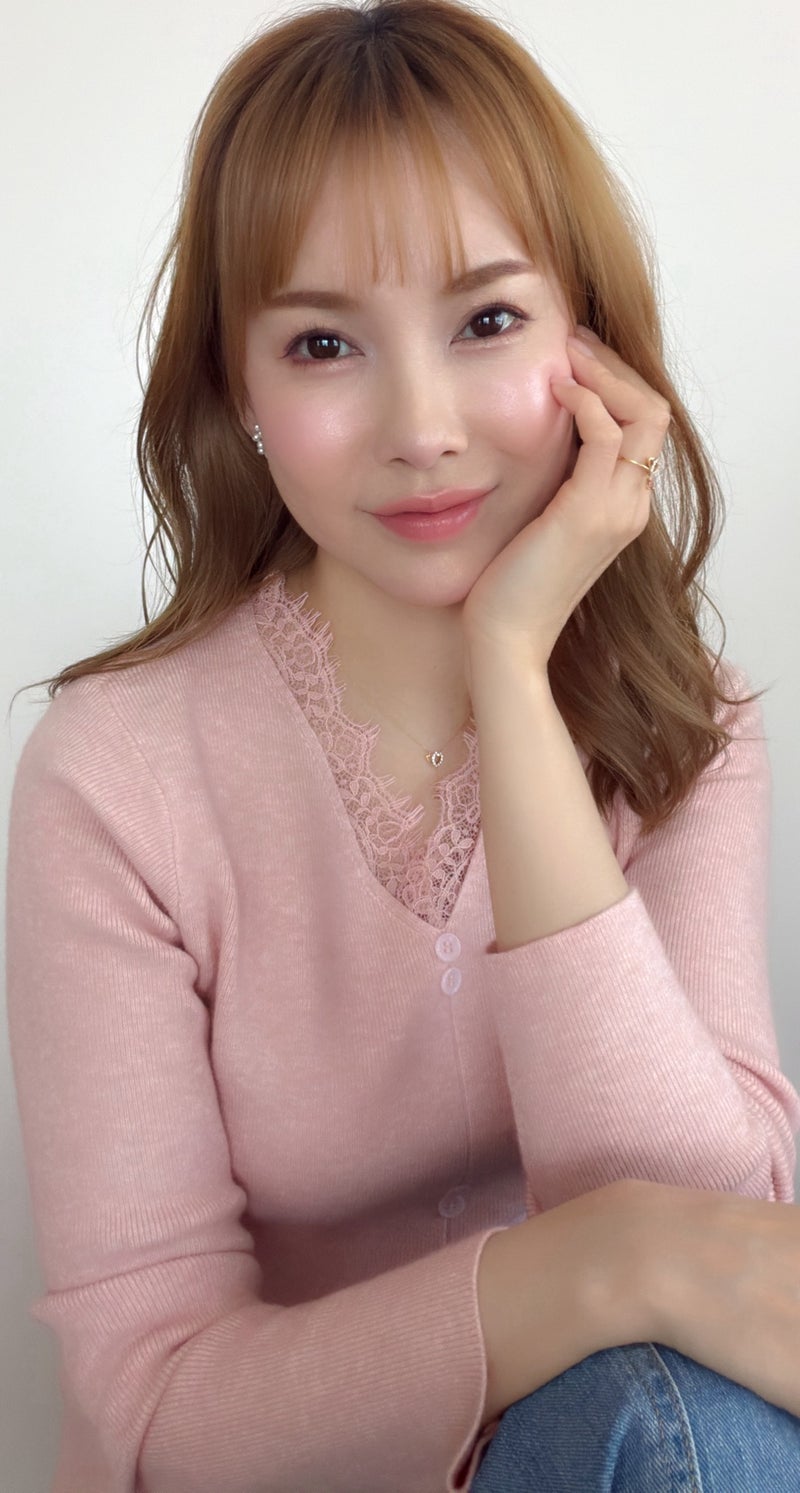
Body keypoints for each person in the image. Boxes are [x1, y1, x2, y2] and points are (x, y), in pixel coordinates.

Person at [5, 1, 800, 1489]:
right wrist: (609, 1262)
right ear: (239, 391)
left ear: (590, 341)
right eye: (323, 344)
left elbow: (729, 1259)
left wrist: (513, 669)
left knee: (682, 1404)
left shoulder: (688, 724)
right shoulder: (117, 776)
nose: (422, 426)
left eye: (488, 321)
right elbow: (152, 1411)